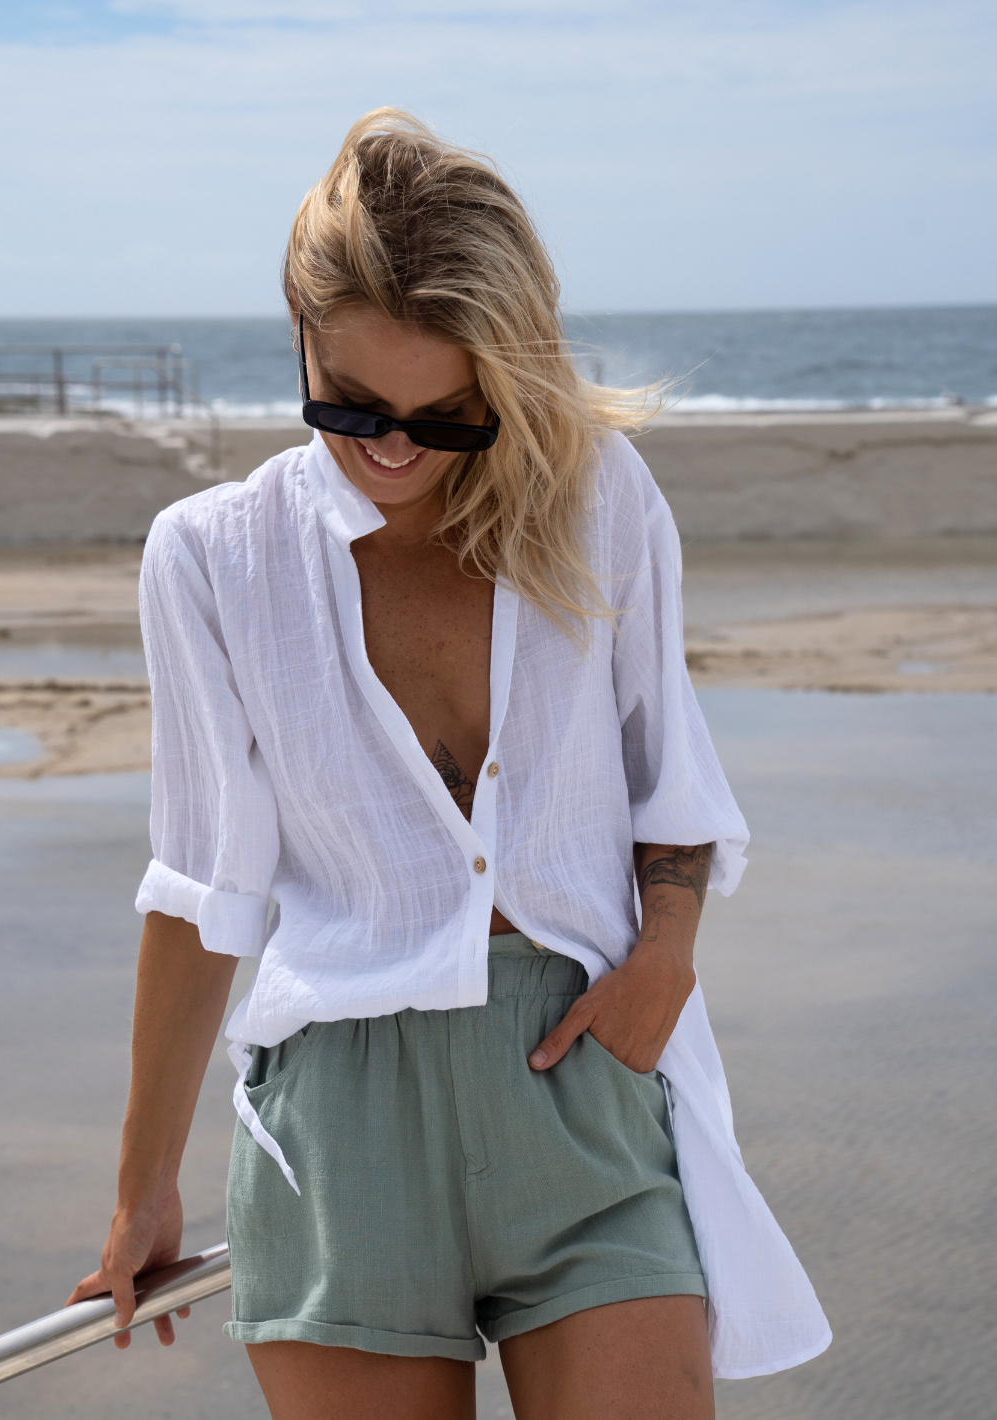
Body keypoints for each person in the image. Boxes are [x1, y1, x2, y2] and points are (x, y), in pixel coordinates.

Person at [69, 109, 830, 1419]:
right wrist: (142, 1188)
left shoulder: (597, 500)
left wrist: (665, 958)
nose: (394, 451)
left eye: (447, 417)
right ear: (298, 334)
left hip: (581, 1088)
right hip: (339, 1132)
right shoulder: (212, 557)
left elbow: (672, 783)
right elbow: (203, 890)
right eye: (351, 406)